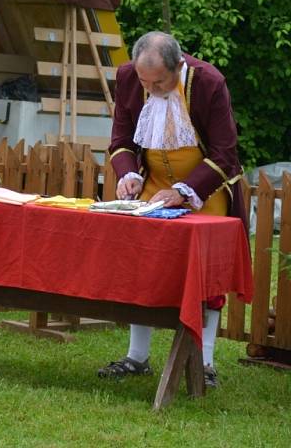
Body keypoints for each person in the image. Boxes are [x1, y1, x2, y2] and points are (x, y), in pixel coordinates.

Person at [98, 30, 246, 388]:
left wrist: (183, 191)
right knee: (143, 267)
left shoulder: (209, 82)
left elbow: (225, 154)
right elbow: (120, 140)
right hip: (152, 188)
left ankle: (205, 363)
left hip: (204, 188)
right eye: (145, 82)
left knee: (206, 276)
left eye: (160, 82)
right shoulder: (129, 77)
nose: (151, 90)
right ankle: (137, 357)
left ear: (178, 65)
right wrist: (128, 173)